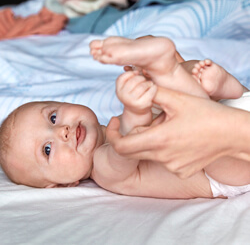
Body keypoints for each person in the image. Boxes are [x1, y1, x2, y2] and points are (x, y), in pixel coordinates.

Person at [0, 36, 248, 199]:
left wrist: (147, 83)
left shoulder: (116, 120)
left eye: (53, 118)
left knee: (176, 94)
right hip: (224, 172)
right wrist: (137, 109)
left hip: (231, 113)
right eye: (46, 149)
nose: (61, 131)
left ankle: (188, 77)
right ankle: (179, 72)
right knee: (187, 117)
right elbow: (127, 147)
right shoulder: (103, 169)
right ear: (62, 184)